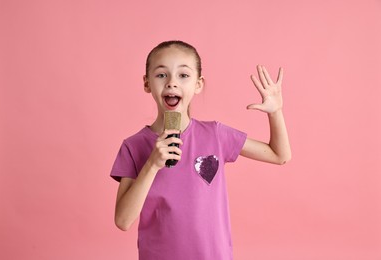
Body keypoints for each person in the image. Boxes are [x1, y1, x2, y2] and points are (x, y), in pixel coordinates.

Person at [110, 40, 291, 260]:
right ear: (147, 83)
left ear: (198, 84)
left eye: (183, 75)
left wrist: (276, 112)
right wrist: (152, 164)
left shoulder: (215, 134)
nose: (172, 83)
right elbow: (123, 221)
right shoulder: (133, 146)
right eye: (161, 75)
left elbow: (279, 155)